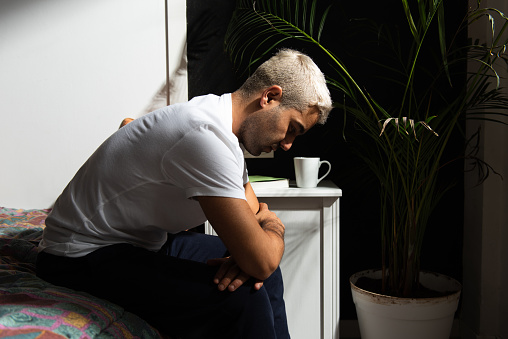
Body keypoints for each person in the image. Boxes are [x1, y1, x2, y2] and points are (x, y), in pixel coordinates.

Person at [36, 49, 333, 339]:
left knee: (266, 276)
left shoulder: (219, 127)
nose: (288, 145)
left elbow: (256, 223)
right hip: (80, 255)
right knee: (243, 299)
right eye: (292, 128)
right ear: (270, 97)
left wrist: (256, 247)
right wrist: (274, 228)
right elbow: (261, 248)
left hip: (142, 242)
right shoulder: (205, 136)